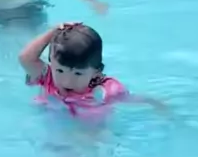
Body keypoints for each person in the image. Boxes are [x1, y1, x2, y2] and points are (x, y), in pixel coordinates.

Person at [19, 22, 163, 116]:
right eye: (60, 71)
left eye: (78, 73)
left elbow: (131, 99)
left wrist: (156, 105)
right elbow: (25, 58)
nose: (67, 81)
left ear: (96, 72)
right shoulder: (47, 77)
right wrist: (52, 33)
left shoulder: (105, 90)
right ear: (51, 62)